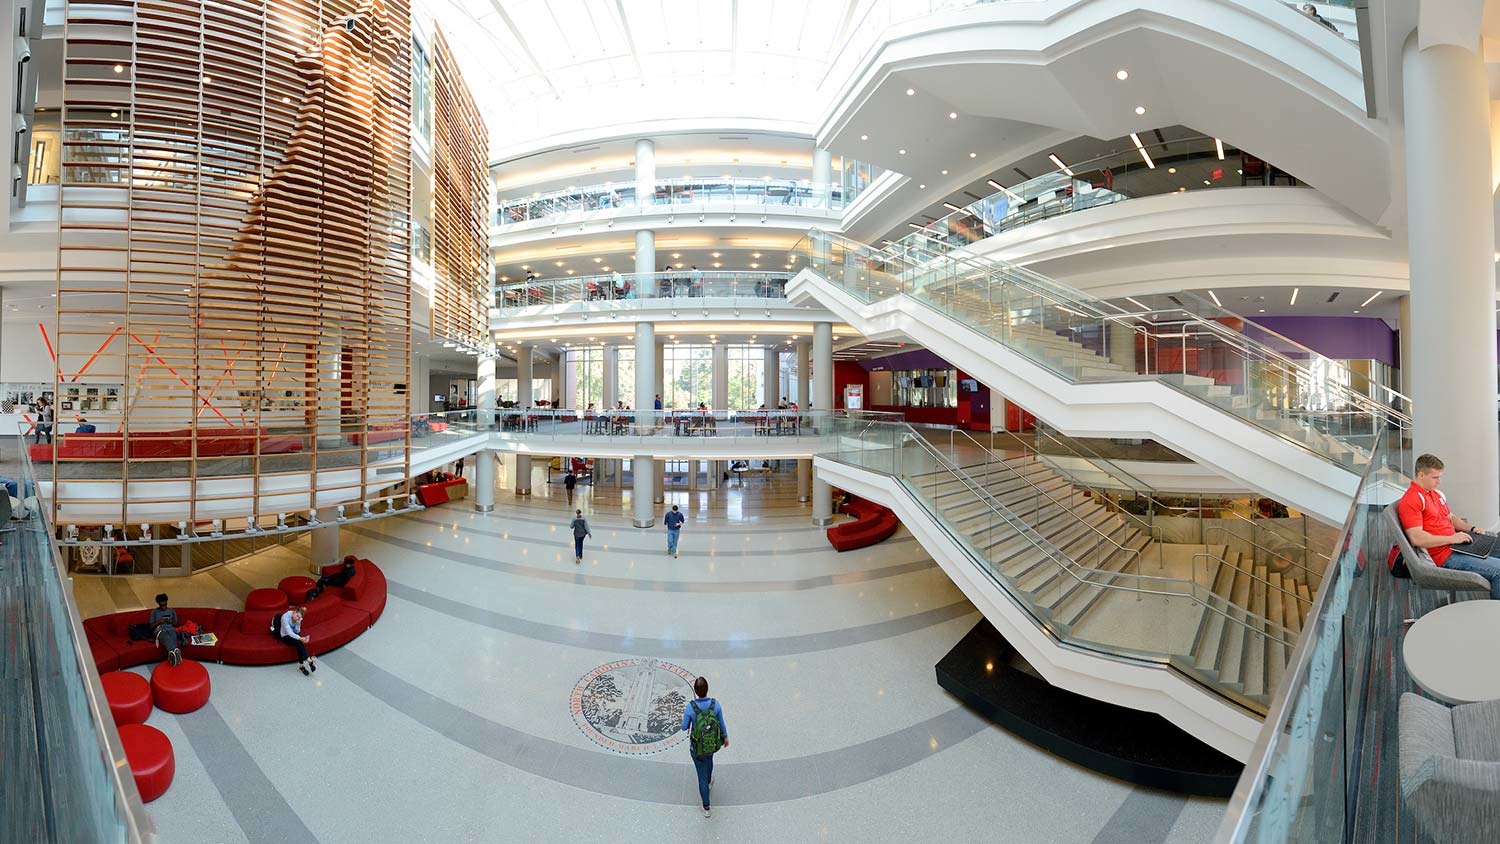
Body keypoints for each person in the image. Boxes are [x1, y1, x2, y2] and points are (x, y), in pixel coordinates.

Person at [1397, 453, 1500, 599]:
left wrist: (1472, 529)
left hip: (1457, 545)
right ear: (1421, 475)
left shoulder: (1435, 494)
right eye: (1435, 477)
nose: (1439, 481)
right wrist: (1452, 538)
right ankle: (1495, 617)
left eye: (1440, 476)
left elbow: (1451, 518)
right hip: (1444, 556)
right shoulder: (1411, 500)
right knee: (1498, 572)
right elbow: (1417, 539)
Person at [680, 676, 728, 818]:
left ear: (695, 691)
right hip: (712, 743)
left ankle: (706, 807)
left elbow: (683, 727)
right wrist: (725, 737)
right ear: (707, 690)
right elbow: (721, 723)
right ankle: (709, 781)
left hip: (697, 747)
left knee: (700, 773)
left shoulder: (690, 707)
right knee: (710, 759)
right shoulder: (716, 705)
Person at [277, 606, 315, 675]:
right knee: (299, 641)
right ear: (294, 612)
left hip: (294, 634)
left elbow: (297, 631)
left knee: (298, 642)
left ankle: (302, 665)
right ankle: (308, 660)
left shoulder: (299, 618)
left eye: (299, 617)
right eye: (297, 616)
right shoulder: (285, 617)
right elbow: (289, 632)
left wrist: (298, 624)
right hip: (285, 636)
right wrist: (300, 638)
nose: (298, 618)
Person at [150, 593, 183, 666]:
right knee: (166, 638)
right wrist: (159, 622)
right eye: (162, 605)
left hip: (171, 629)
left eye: (165, 604)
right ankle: (175, 652)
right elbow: (151, 626)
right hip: (160, 630)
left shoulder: (172, 611)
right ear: (158, 603)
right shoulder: (154, 612)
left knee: (172, 636)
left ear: (167, 602)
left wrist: (171, 621)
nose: (164, 606)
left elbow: (175, 623)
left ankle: (172, 656)